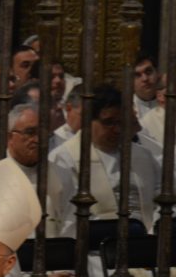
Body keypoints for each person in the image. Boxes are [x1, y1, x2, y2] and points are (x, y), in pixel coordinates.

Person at [51, 84, 158, 234]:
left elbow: (161, 199)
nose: (117, 129)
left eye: (121, 122)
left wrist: (153, 231)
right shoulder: (64, 159)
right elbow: (68, 216)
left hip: (146, 242)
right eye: (108, 122)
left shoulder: (143, 155)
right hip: (94, 249)